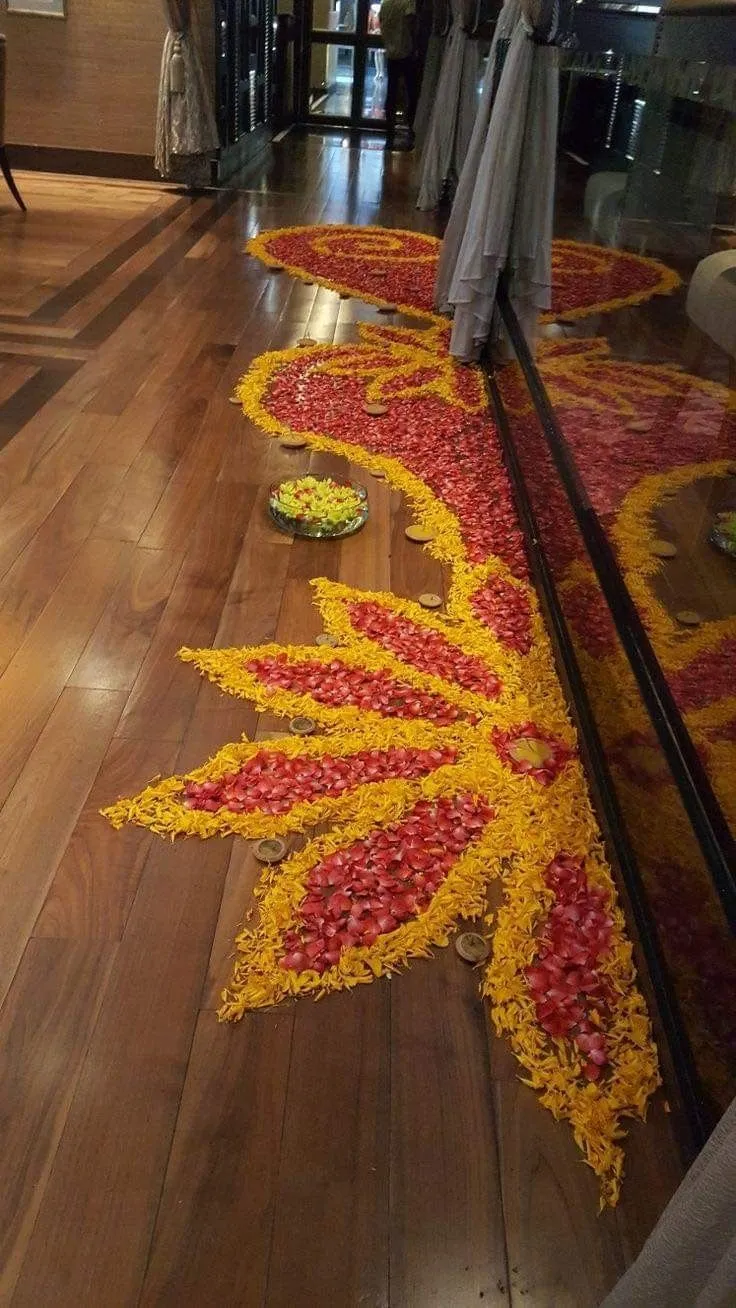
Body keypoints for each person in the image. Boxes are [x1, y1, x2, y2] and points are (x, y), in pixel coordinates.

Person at [379, 0, 421, 148]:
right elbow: (411, 24)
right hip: (406, 52)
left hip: (391, 53)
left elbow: (382, 22)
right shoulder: (408, 2)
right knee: (412, 92)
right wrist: (416, 46)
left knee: (391, 91)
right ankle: (411, 126)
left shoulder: (386, 3)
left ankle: (389, 126)